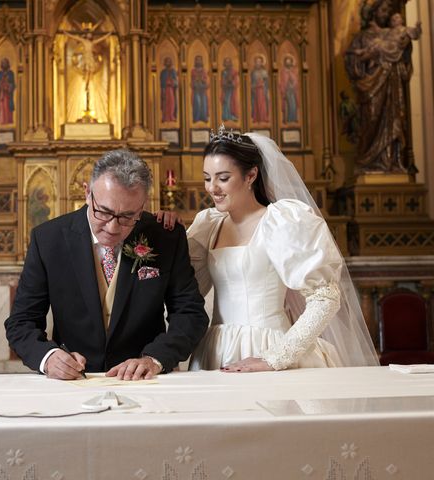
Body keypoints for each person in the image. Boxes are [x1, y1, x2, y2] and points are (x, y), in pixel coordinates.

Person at [158, 127, 379, 372]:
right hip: (215, 349)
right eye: (207, 178)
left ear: (251, 175)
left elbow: (325, 297)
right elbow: (183, 290)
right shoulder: (208, 225)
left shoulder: (282, 221)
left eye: (223, 178)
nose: (212, 188)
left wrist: (276, 357)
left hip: (269, 345)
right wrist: (165, 233)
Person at [5, 149, 208, 381]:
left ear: (142, 207)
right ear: (87, 193)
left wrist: (155, 359)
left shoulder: (166, 236)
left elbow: (190, 314)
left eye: (127, 217)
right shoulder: (48, 239)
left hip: (146, 380)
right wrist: (49, 357)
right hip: (74, 382)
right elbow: (21, 322)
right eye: (104, 212)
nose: (112, 228)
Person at [345, 0, 420, 173]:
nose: (386, 14)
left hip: (392, 86)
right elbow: (352, 61)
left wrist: (404, 49)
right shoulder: (362, 37)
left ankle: (393, 161)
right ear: (373, 12)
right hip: (371, 87)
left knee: (395, 119)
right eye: (383, 10)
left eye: (388, 11)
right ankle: (369, 161)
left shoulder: (394, 34)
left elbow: (403, 58)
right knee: (371, 119)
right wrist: (364, 60)